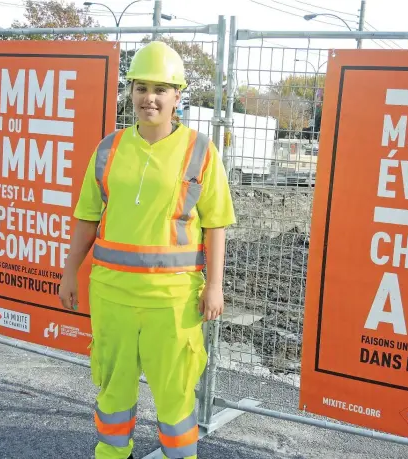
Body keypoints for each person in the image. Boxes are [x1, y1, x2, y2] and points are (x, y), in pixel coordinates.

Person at [59, 40, 236, 459]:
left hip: (173, 301)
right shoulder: (109, 149)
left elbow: (216, 225)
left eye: (160, 89)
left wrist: (215, 286)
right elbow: (87, 218)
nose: (149, 98)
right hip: (113, 295)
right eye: (141, 88)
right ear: (131, 92)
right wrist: (69, 273)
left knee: (175, 400)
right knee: (113, 392)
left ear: (178, 95)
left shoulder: (200, 151)